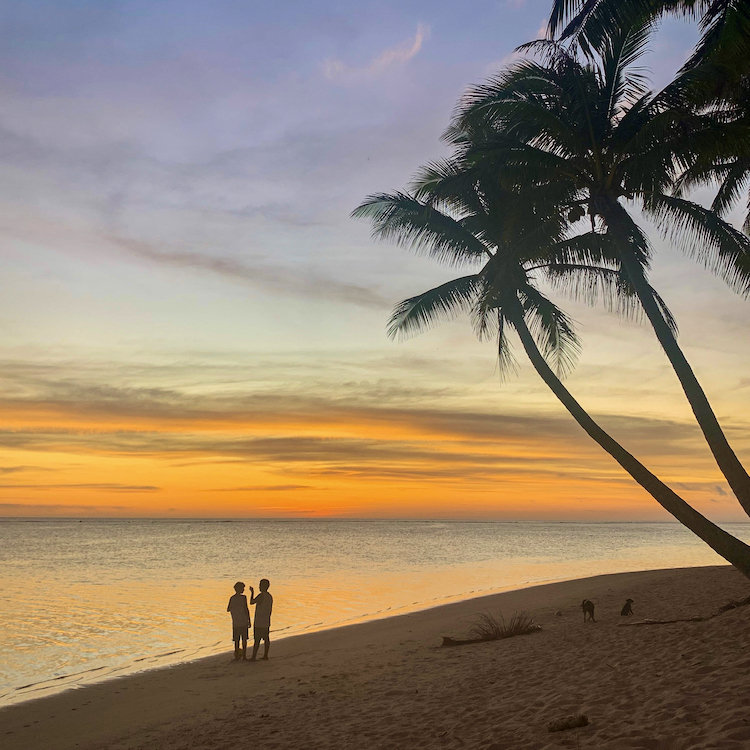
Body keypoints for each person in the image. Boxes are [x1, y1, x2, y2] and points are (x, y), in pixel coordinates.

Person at [249, 578, 273, 661]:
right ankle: (265, 655)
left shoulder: (261, 595)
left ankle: (253, 657)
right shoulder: (269, 596)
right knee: (266, 638)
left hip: (259, 621)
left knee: (257, 640)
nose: (259, 587)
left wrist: (252, 592)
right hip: (266, 620)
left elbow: (252, 602)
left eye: (260, 585)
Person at [227, 581, 251, 661]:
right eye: (243, 588)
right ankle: (244, 656)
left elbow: (228, 609)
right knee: (244, 639)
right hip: (243, 621)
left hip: (236, 622)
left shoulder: (232, 598)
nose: (243, 590)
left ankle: (237, 655)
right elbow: (246, 609)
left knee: (236, 640)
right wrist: (249, 620)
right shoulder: (243, 597)